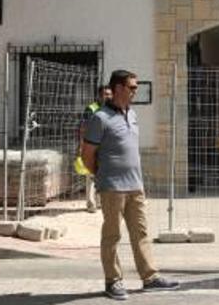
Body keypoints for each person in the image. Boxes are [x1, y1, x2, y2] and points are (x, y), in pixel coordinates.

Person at [81, 70, 179, 300]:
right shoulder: (100, 118)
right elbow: (87, 155)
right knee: (112, 235)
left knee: (141, 233)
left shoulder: (132, 115)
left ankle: (150, 277)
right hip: (112, 187)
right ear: (117, 89)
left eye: (135, 87)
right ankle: (112, 281)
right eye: (132, 87)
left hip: (136, 186)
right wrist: (100, 176)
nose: (135, 91)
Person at [78, 85, 111, 213]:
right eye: (105, 94)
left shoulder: (110, 109)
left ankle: (100, 202)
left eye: (109, 94)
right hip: (92, 145)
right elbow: (83, 127)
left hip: (106, 147)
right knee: (91, 175)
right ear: (98, 96)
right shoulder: (91, 109)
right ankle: (91, 204)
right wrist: (82, 145)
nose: (108, 96)